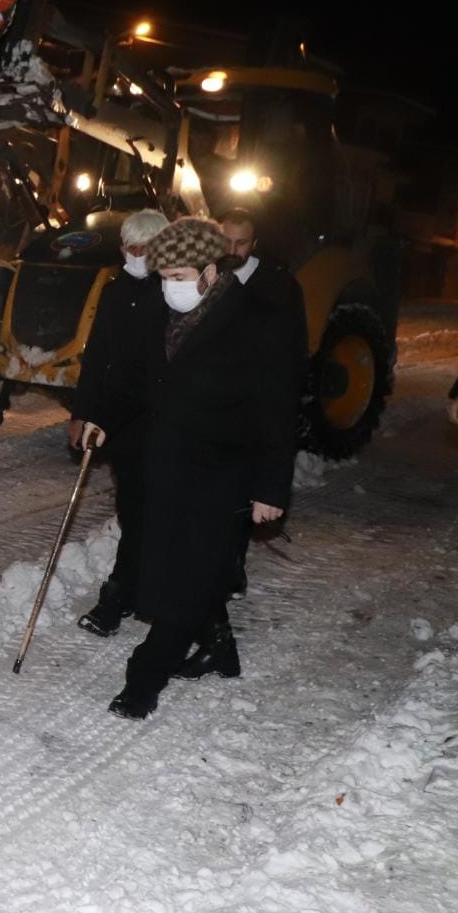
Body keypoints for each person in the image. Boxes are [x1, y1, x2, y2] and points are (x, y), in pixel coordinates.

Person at [80, 218, 300, 720]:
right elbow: (139, 381)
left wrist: (270, 486)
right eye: (163, 276)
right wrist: (103, 419)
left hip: (223, 473)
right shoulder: (163, 313)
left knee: (189, 581)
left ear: (208, 270)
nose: (169, 286)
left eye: (178, 275)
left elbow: (277, 411)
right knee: (177, 571)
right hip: (165, 466)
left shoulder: (256, 323)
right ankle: (221, 648)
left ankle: (144, 680)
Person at [69, 208, 170, 637]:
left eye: (145, 249)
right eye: (129, 247)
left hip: (163, 422)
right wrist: (82, 413)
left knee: (158, 512)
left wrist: (104, 417)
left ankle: (133, 593)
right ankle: (128, 591)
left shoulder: (174, 295)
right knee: (132, 508)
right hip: (123, 425)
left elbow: (148, 373)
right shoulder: (113, 292)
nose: (135, 255)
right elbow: (98, 359)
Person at [220, 207, 309, 597]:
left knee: (241, 493)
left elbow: (292, 353)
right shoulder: (205, 277)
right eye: (226, 241)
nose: (233, 249)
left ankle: (232, 566)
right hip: (214, 406)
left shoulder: (279, 286)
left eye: (241, 242)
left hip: (256, 407)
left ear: (254, 243)